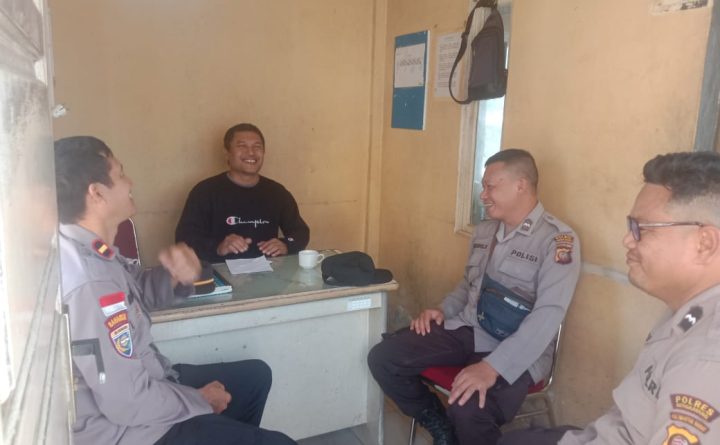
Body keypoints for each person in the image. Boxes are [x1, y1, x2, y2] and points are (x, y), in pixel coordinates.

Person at [55, 136, 296, 445]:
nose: (130, 182)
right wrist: (199, 400)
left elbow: (135, 293)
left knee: (254, 377)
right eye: (120, 174)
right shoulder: (89, 281)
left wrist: (174, 276)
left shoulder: (95, 252)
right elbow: (127, 401)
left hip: (151, 380)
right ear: (97, 193)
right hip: (131, 432)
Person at [500, 151, 720, 445]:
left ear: (705, 243)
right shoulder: (690, 309)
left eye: (641, 229)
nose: (627, 240)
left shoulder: (707, 359)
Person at [367, 149, 581, 445]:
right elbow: (468, 285)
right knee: (384, 357)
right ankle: (442, 428)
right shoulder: (484, 231)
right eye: (484, 187)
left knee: (469, 409)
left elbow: (548, 315)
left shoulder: (557, 240)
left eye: (490, 186)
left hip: (517, 349)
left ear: (520, 185)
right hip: (468, 329)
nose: (483, 195)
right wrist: (442, 310)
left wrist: (493, 367)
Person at [175, 123, 309, 262]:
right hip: (218, 270)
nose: (251, 152)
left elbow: (300, 232)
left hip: (269, 270)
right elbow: (185, 238)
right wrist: (218, 247)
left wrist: (286, 244)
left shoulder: (277, 192)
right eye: (242, 146)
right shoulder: (205, 191)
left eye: (257, 147)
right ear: (227, 153)